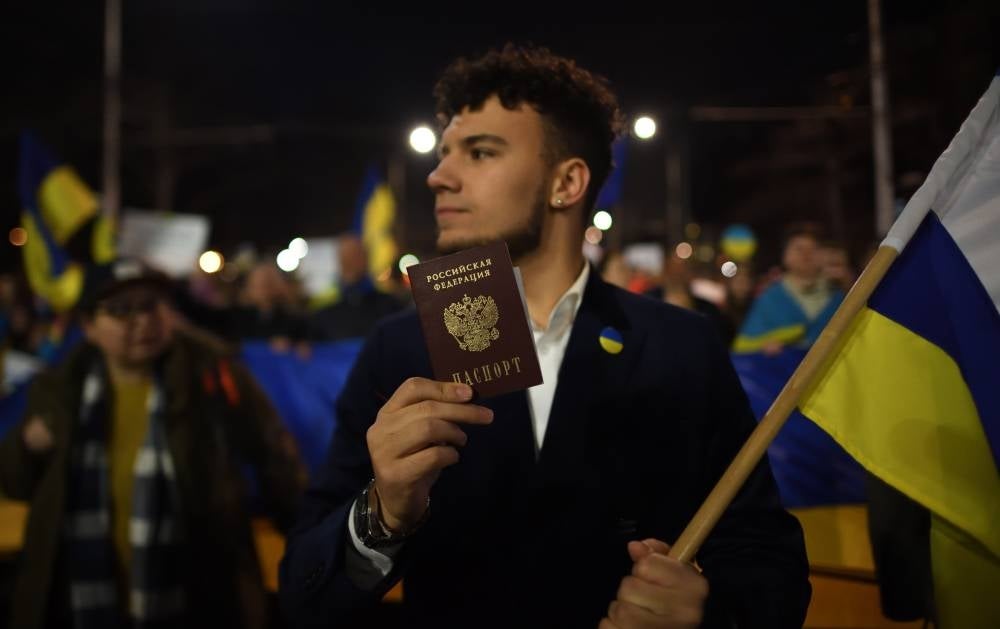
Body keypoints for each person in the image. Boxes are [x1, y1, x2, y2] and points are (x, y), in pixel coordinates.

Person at [279, 44, 810, 628]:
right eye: (445, 152)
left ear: (567, 182)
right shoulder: (400, 348)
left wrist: (706, 610)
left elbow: (769, 565)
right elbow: (304, 590)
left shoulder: (680, 345)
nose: (439, 176)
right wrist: (382, 515)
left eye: (480, 152)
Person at [0, 258, 307, 629]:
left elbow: (275, 459)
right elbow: (14, 481)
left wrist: (310, 541)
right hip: (79, 603)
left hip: (199, 599)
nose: (142, 321)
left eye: (151, 305)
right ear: (89, 327)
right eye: (120, 310)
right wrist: (29, 446)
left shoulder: (214, 377)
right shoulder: (58, 390)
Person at [733, 224, 843, 355]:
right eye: (799, 249)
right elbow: (743, 346)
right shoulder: (770, 299)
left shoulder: (839, 297)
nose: (806, 255)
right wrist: (763, 347)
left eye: (813, 249)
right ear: (785, 255)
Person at [310, 234, 406, 342]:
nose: (350, 263)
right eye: (345, 258)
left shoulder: (390, 306)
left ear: (366, 259)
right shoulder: (324, 314)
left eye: (354, 256)